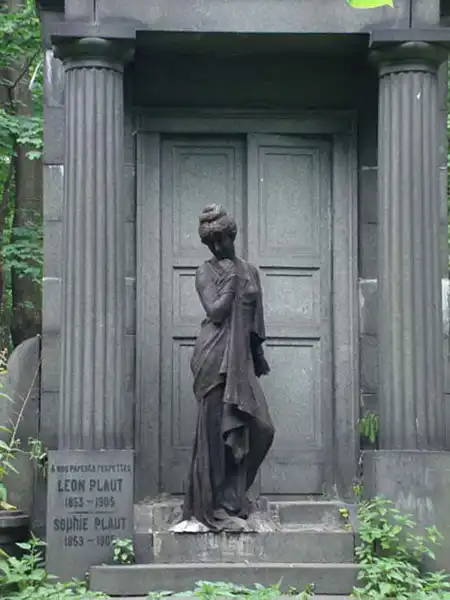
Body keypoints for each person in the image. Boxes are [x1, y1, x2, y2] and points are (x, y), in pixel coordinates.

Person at [182, 204, 275, 531]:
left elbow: (255, 318)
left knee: (262, 429)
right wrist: (232, 281)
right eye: (211, 243)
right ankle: (214, 505)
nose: (218, 247)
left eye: (222, 239)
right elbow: (216, 312)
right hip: (214, 355)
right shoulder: (205, 272)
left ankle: (233, 497)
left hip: (241, 359)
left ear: (232, 235)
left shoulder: (250, 271)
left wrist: (258, 354)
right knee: (215, 434)